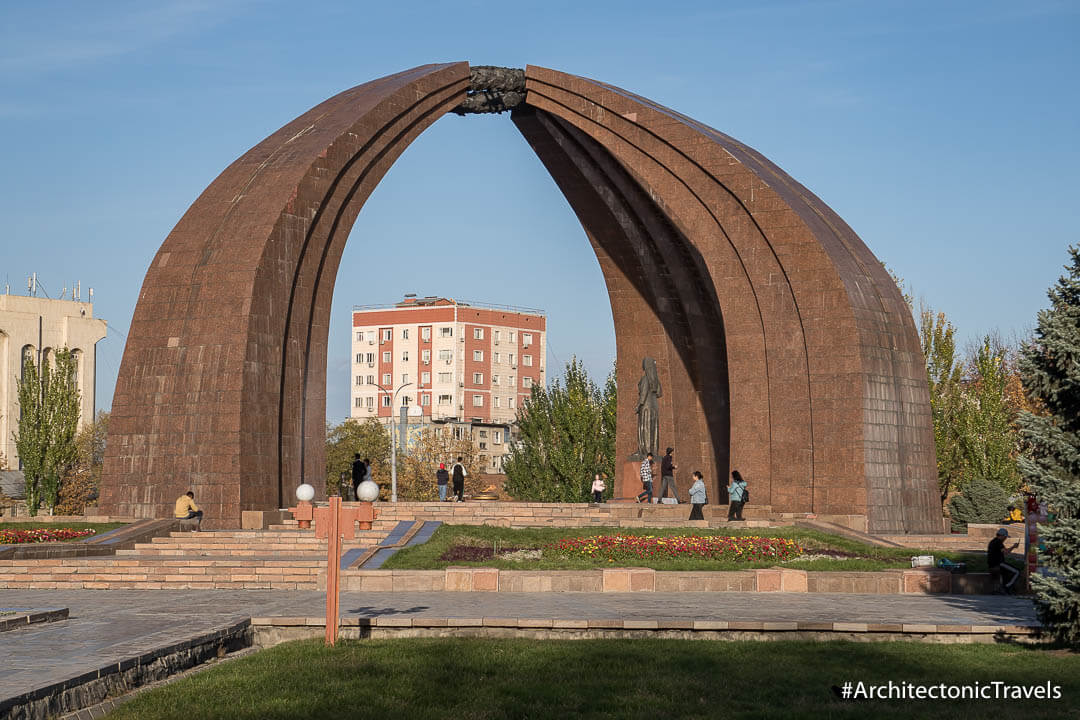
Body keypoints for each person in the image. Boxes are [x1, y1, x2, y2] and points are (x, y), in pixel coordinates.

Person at [988, 527, 1021, 594]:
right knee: (1017, 572)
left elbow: (1005, 552)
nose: (1005, 539)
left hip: (992, 564)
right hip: (998, 563)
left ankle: (1004, 588)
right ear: (1002, 536)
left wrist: (1012, 548)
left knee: (1006, 574)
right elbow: (1006, 552)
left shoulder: (993, 541)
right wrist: (1013, 546)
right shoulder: (998, 542)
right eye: (1005, 537)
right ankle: (1007, 586)